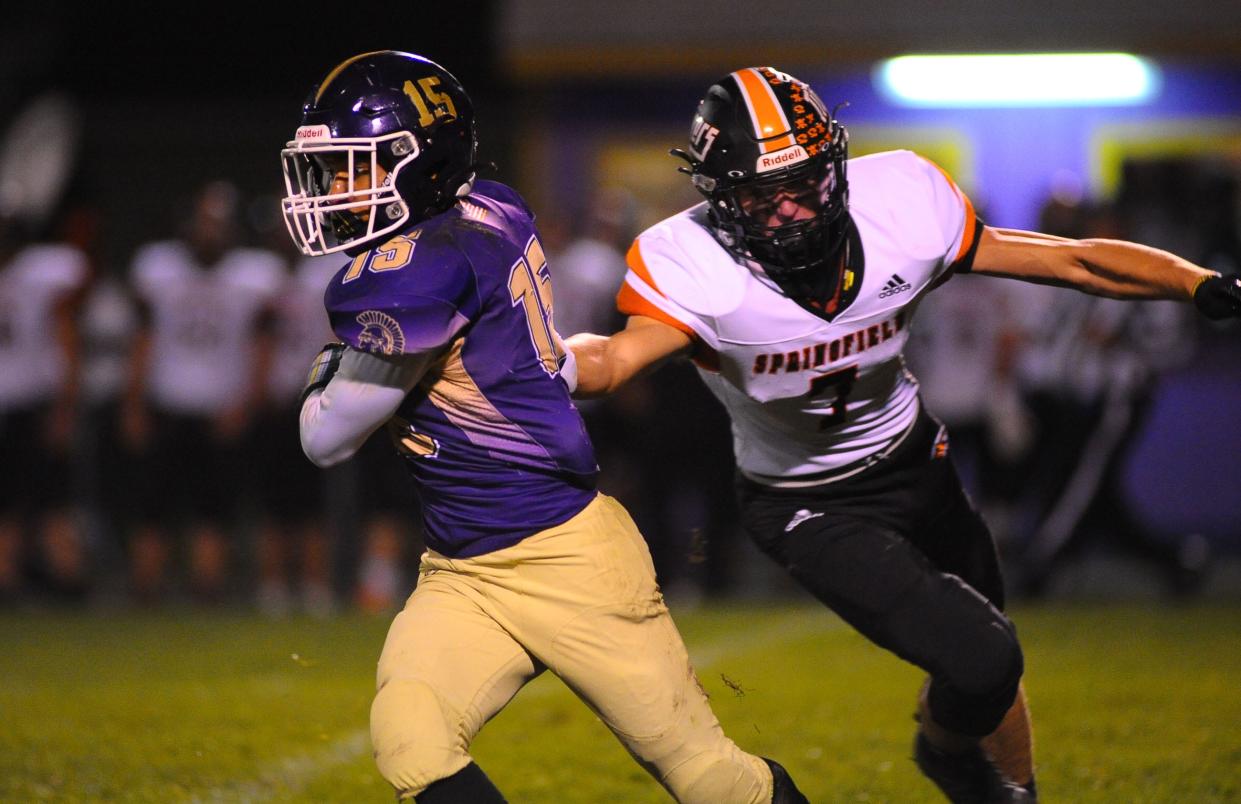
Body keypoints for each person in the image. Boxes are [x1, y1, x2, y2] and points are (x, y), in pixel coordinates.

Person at [566, 66, 1241, 803]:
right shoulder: (691, 261)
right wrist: (538, 363)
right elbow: (612, 358)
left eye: (806, 183)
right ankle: (949, 756)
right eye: (764, 196)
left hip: (915, 460)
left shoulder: (900, 205)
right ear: (722, 198)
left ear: (836, 164)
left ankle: (993, 779)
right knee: (983, 656)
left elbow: (1068, 259)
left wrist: (1198, 282)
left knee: (990, 663)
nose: (791, 210)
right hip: (806, 501)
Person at [282, 51, 807, 804]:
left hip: (567, 558)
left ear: (418, 164)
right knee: (413, 743)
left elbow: (324, 439)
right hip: (463, 571)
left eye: (353, 166)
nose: (334, 189)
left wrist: (326, 363)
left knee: (713, 780)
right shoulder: (487, 207)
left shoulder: (415, 272)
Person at [122, 181, 283, 603]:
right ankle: (145, 593)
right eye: (205, 222)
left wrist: (249, 402)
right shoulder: (159, 266)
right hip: (166, 405)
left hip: (221, 410)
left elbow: (264, 346)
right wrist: (134, 402)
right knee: (150, 507)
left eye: (219, 224)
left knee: (213, 509)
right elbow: (143, 339)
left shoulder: (255, 275)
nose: (211, 232)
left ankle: (207, 592)